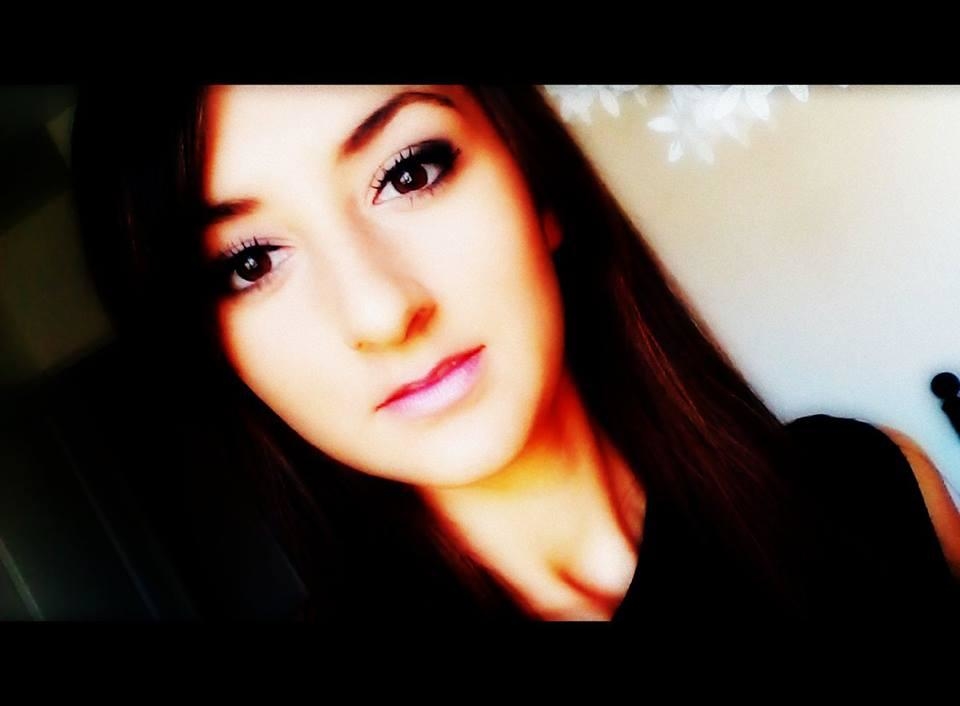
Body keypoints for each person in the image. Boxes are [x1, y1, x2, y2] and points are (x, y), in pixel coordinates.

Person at [69, 85, 960, 625]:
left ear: (539, 186)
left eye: (409, 172)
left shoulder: (870, 487)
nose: (381, 310)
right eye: (250, 263)